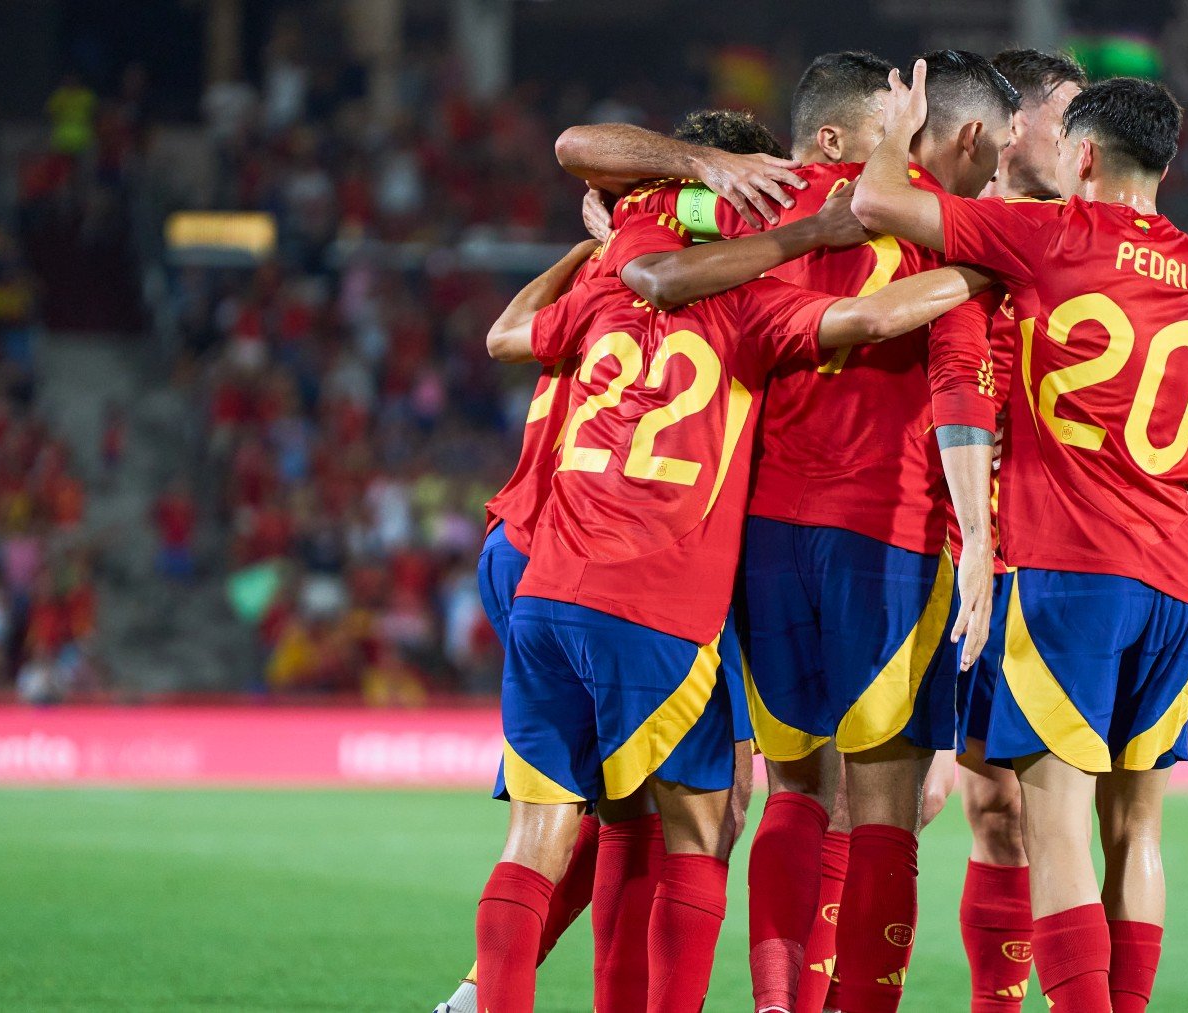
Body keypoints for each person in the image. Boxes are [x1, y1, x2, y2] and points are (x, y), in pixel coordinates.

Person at [557, 50, 1014, 1013]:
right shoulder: (936, 222)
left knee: (794, 789)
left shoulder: (766, 199)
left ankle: (775, 1004)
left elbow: (624, 216)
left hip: (761, 539)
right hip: (886, 529)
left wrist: (664, 190)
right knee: (886, 806)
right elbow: (955, 379)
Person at [852, 65, 1188, 1011]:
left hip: (1068, 575)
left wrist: (902, 128)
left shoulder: (1048, 235)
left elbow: (878, 199)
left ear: (1083, 156)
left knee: (1053, 825)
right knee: (1138, 832)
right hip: (1175, 584)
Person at [435, 110, 871, 1013]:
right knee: (698, 812)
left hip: (533, 546)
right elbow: (582, 153)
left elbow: (507, 334)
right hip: (647, 556)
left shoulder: (615, 267)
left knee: (587, 811)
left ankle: (488, 991)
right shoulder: (727, 268)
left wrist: (586, 248)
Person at [926, 48, 1088, 1013]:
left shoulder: (1091, 239)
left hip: (1042, 554)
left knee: (1011, 808)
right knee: (916, 795)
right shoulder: (954, 222)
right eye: (1066, 118)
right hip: (929, 539)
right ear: (1013, 126)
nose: (1080, 143)